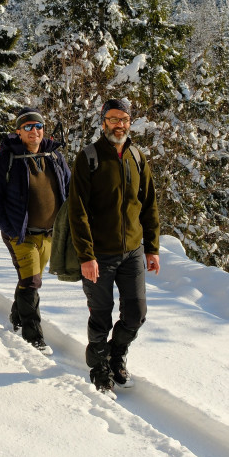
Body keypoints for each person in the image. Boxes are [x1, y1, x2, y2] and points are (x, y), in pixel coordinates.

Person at [68, 98, 159, 395]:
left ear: (130, 123)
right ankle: (98, 366)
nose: (119, 124)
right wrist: (86, 255)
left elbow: (149, 204)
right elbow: (77, 211)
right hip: (99, 254)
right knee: (101, 315)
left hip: (132, 251)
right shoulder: (89, 158)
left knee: (136, 313)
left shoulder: (136, 155)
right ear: (103, 121)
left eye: (124, 119)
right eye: (113, 118)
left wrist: (152, 247)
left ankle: (116, 353)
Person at [0, 107, 69, 355]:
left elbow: (69, 188)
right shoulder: (6, 159)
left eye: (39, 126)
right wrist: (8, 228)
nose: (35, 131)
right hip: (20, 233)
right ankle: (34, 337)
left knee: (29, 280)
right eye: (28, 127)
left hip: (49, 233)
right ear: (19, 131)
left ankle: (17, 316)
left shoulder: (54, 157)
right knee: (32, 281)